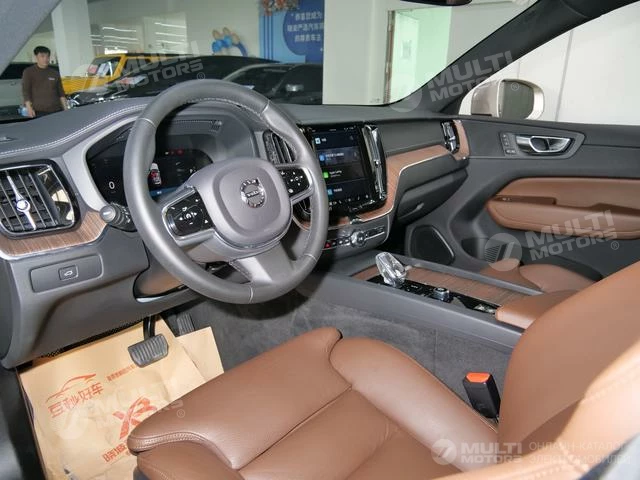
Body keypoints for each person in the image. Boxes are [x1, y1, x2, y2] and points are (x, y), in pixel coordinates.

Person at [21, 46, 67, 118]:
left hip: (57, 110)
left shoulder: (54, 73)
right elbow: (26, 91)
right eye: (42, 56)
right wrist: (29, 108)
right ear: (36, 57)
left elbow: (61, 93)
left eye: (47, 56)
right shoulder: (28, 72)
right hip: (39, 112)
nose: (45, 59)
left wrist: (66, 109)